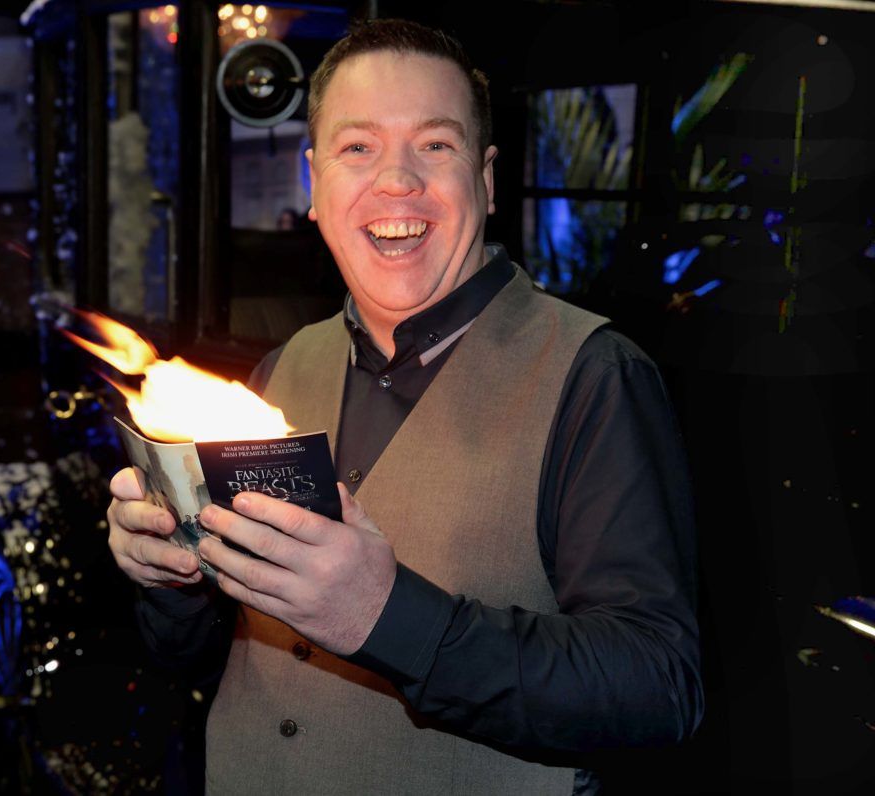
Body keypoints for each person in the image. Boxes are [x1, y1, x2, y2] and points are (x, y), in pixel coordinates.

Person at [107, 18, 703, 795]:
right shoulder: (278, 370)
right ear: (313, 184)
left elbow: (659, 686)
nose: (397, 181)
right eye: (358, 148)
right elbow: (195, 653)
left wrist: (388, 618)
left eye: (435, 144)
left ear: (485, 182)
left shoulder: (596, 376)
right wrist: (172, 577)